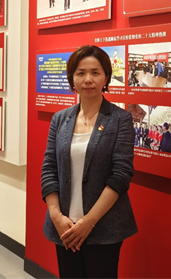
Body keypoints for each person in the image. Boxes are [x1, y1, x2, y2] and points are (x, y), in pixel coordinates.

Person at [41, 45, 137, 279]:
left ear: (106, 77)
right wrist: (56, 215)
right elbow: (49, 167)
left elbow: (121, 175)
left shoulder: (120, 119)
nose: (88, 80)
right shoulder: (60, 119)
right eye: (81, 73)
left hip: (103, 227)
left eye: (95, 72)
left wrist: (88, 222)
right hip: (64, 225)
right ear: (72, 78)